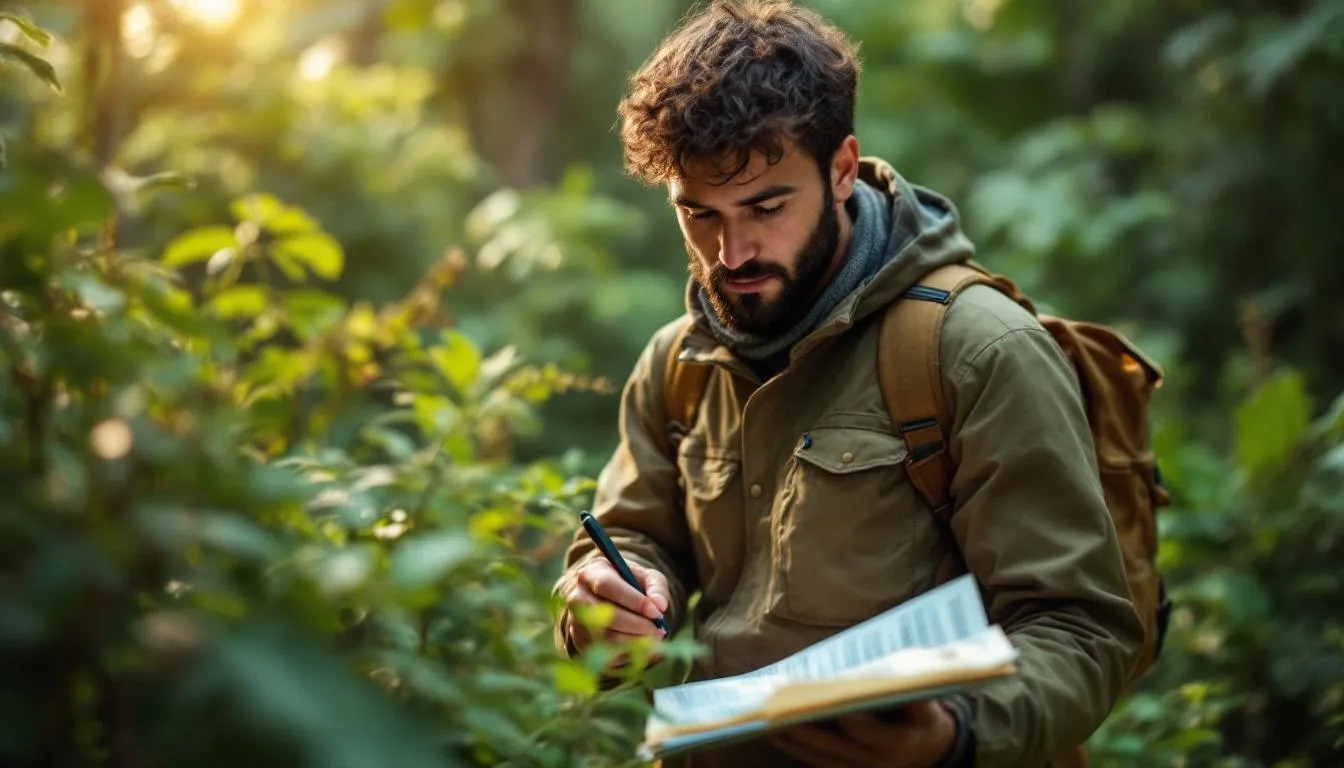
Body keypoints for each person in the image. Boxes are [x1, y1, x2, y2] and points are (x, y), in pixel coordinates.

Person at [551, 1, 1145, 766]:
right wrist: (604, 600)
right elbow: (632, 539)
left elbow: (1082, 629)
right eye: (699, 215)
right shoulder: (678, 363)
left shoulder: (976, 351)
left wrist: (954, 736)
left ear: (840, 170)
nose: (731, 252)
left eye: (766, 207)